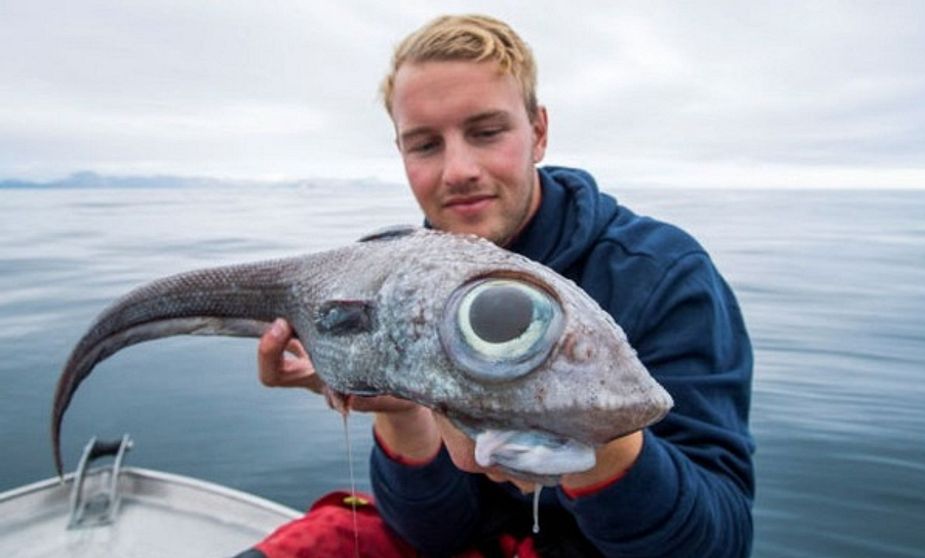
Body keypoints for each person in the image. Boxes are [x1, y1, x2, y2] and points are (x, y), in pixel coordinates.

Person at [247, 14, 754, 558]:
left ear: (538, 132)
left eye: (487, 133)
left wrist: (594, 436)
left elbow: (717, 542)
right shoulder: (394, 291)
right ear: (400, 154)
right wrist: (401, 411)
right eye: (425, 145)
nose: (458, 169)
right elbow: (435, 536)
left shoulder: (662, 273)